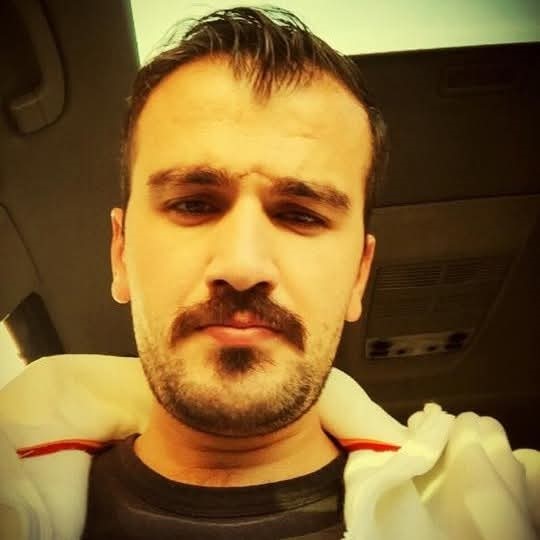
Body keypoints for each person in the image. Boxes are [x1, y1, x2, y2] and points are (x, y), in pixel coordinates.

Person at [0, 6, 538, 540]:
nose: (242, 266)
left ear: (359, 276)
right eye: (193, 204)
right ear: (120, 254)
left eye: (301, 215)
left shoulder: (509, 509)